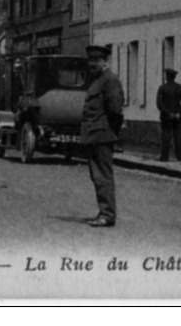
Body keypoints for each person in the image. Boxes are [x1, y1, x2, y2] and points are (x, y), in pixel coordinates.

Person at [80, 44, 125, 228]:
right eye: (90, 60)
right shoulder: (98, 80)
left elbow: (115, 110)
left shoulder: (110, 80)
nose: (92, 64)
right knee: (97, 176)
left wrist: (111, 132)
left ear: (105, 61)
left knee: (102, 176)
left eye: (96, 60)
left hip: (102, 135)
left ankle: (107, 214)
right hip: (95, 135)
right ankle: (104, 211)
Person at [156, 68, 181, 161]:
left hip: (166, 117)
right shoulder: (180, 88)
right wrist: (180, 112)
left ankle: (164, 157)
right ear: (174, 77)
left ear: (167, 77)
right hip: (177, 117)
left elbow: (159, 103)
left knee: (166, 136)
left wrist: (168, 113)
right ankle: (179, 157)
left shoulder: (162, 88)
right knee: (178, 136)